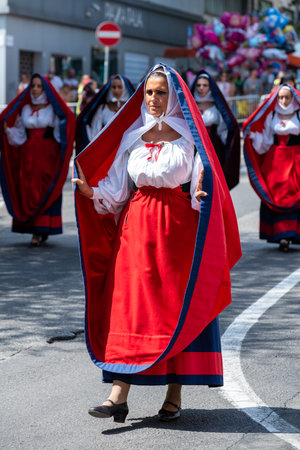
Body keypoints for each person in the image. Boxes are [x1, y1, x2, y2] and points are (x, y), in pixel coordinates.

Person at [72, 64, 241, 422]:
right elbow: (117, 191)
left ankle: (174, 393)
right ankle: (118, 394)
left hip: (176, 231)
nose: (153, 98)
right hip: (135, 229)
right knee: (130, 306)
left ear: (174, 96)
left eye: (160, 92)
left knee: (173, 308)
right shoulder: (133, 136)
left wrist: (201, 193)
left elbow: (203, 181)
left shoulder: (190, 138)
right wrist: (91, 192)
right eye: (149, 92)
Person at [0, 74, 75, 246]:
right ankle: (35, 229)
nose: (34, 89)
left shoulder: (52, 110)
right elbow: (19, 134)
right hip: (28, 156)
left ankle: (41, 229)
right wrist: (8, 131)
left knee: (44, 188)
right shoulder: (25, 109)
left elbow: (61, 130)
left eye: (39, 86)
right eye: (32, 85)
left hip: (46, 155)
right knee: (28, 190)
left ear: (45, 89)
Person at [244, 84, 300, 251]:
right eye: (280, 97)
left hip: (296, 158)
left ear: (293, 98)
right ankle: (281, 235)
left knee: (295, 193)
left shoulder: (298, 114)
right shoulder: (272, 115)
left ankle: (292, 233)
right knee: (276, 193)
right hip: (275, 160)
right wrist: (253, 137)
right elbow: (266, 141)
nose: (283, 100)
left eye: (286, 97)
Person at [190, 70, 240, 190]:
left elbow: (225, 128)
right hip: (192, 146)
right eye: (198, 85)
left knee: (211, 181)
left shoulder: (217, 106)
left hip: (212, 147)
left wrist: (228, 145)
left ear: (210, 87)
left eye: (205, 85)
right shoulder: (189, 104)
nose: (201, 88)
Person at [75, 74, 134, 154]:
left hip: (126, 152)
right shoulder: (103, 108)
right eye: (114, 87)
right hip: (106, 152)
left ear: (125, 89)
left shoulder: (131, 108)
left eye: (119, 87)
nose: (116, 90)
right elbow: (95, 133)